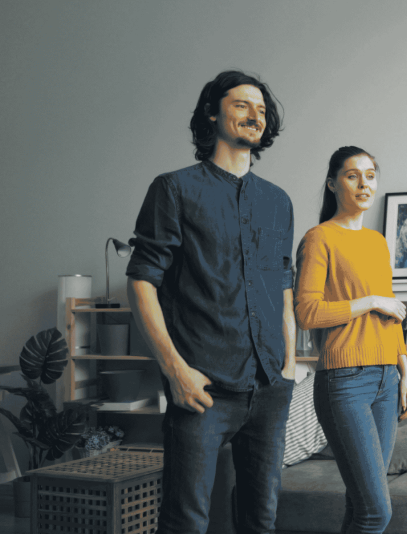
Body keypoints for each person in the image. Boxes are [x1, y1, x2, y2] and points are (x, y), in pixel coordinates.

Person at [126, 69, 296, 534]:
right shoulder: (174, 189)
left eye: (261, 110)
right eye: (242, 105)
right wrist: (174, 370)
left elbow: (283, 286)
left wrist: (288, 365)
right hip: (202, 388)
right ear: (211, 113)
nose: (254, 116)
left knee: (260, 521)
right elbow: (142, 282)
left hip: (269, 387)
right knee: (187, 521)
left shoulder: (278, 201)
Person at [294, 146, 407, 534]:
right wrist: (370, 301)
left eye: (370, 175)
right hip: (344, 381)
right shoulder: (319, 238)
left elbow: (392, 315)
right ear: (332, 184)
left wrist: (406, 374)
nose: (364, 183)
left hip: (387, 380)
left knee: (360, 504)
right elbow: (306, 313)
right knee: (376, 512)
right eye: (352, 175)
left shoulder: (377, 242)